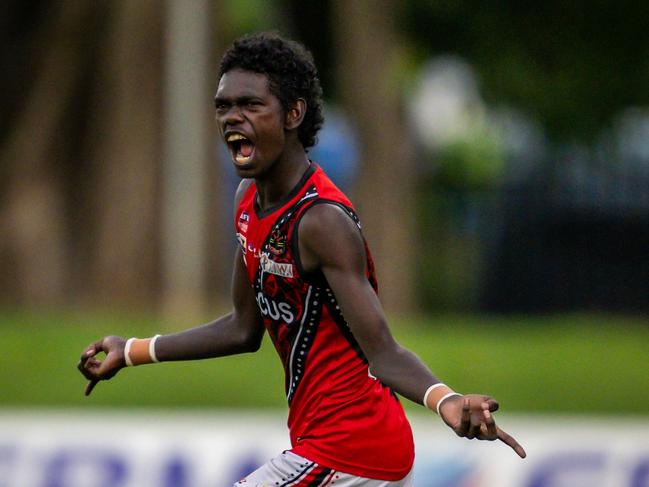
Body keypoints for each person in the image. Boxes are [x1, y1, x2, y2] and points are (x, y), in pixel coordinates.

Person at [78, 32, 525, 486]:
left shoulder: (321, 221)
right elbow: (241, 327)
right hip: (330, 448)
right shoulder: (248, 201)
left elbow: (383, 351)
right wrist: (131, 351)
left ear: (294, 114)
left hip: (354, 451)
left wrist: (446, 400)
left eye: (251, 105)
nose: (233, 117)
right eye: (223, 105)